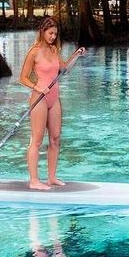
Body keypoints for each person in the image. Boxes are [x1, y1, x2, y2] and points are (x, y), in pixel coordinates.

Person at [19, 16, 85, 190]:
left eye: (55, 34)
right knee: (37, 140)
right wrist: (38, 87)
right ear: (43, 31)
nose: (53, 37)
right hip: (39, 99)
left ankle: (51, 177)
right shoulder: (34, 51)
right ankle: (34, 180)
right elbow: (23, 78)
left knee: (55, 138)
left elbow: (64, 70)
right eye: (50, 33)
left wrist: (76, 55)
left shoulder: (54, 50)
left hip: (54, 98)